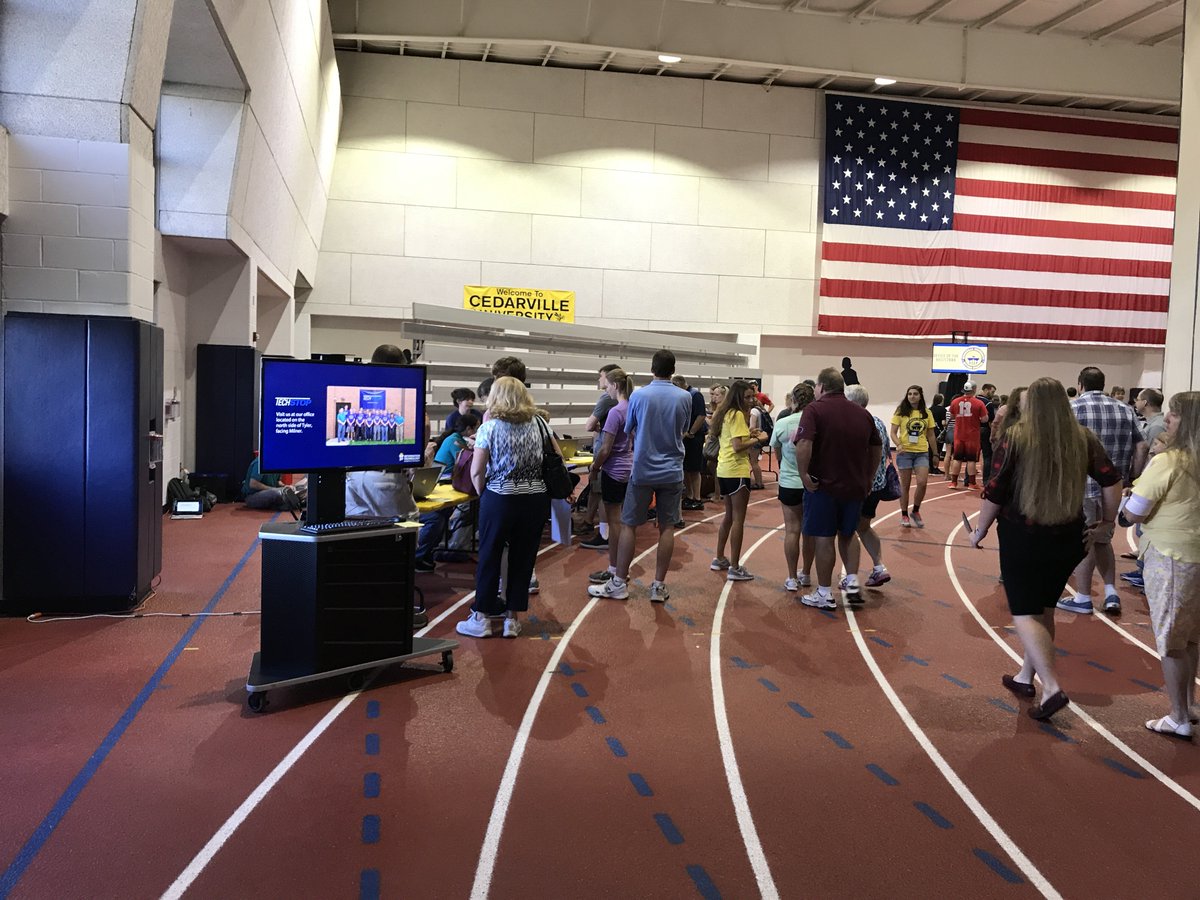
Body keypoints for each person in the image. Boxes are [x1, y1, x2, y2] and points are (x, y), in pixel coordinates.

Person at [969, 377, 1122, 722]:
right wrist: (1107, 524)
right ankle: (1026, 677)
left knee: (1023, 612)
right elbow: (1112, 480)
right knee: (1045, 609)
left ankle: (1051, 687)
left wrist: (979, 531)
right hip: (1069, 538)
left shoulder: (1017, 438)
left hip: (1024, 535)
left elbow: (995, 490)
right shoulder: (1083, 439)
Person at [1121, 391, 1200, 739]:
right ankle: (1190, 704)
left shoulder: (1170, 461)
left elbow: (1135, 510)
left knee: (1170, 640)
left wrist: (1124, 512)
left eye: (1174, 414)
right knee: (1192, 636)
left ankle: (1178, 716)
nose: (1167, 419)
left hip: (1171, 555)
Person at [588, 350, 692, 603]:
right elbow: (685, 429)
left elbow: (629, 428)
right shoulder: (685, 397)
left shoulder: (640, 395)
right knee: (667, 528)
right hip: (672, 469)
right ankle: (658, 585)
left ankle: (619, 582)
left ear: (652, 368)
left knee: (629, 525)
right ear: (673, 369)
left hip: (643, 468)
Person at [456, 377, 554, 640]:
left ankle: (482, 617)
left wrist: (485, 494)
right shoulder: (540, 424)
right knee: (523, 559)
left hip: (500, 497)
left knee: (490, 556)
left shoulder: (490, 428)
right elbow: (556, 456)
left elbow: (477, 472)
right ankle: (512, 618)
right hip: (534, 498)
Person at [1058, 366, 1146, 617]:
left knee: (1085, 540)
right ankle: (1110, 593)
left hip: (1081, 486)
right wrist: (1132, 477)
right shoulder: (1126, 409)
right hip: (1114, 487)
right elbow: (1142, 446)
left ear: (1080, 384)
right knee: (1104, 538)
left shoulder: (1072, 409)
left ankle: (1084, 597)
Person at [793, 368, 882, 609]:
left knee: (824, 538)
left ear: (820, 387)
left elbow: (804, 443)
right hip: (854, 486)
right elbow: (877, 446)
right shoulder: (862, 414)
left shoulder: (814, 409)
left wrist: (803, 475)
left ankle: (824, 593)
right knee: (848, 533)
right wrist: (869, 475)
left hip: (824, 486)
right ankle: (852, 584)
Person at [710, 380, 769, 582]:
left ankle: (719, 557)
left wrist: (748, 435)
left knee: (728, 516)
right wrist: (759, 438)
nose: (751, 400)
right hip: (736, 471)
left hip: (724, 470)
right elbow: (737, 446)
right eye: (747, 397)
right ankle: (734, 566)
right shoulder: (736, 414)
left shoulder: (725, 413)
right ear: (737, 397)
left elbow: (733, 439)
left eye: (752, 396)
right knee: (738, 519)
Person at [587, 368, 634, 587]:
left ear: (615, 386)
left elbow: (605, 449)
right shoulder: (633, 408)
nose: (606, 390)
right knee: (624, 521)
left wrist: (595, 467)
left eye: (607, 386)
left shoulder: (616, 412)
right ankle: (620, 569)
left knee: (616, 523)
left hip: (614, 470)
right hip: (629, 468)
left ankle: (615, 570)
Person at [770, 383, 815, 591]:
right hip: (812, 483)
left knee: (792, 530)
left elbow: (776, 450)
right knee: (810, 531)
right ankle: (805, 573)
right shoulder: (818, 422)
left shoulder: (783, 422)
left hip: (789, 482)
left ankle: (791, 577)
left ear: (794, 401)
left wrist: (785, 466)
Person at [848, 384, 892, 589]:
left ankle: (850, 577)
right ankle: (879, 567)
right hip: (876, 485)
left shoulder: (855, 424)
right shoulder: (878, 422)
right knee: (864, 527)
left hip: (859, 485)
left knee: (847, 531)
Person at [889, 384, 936, 528]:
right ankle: (904, 514)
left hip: (921, 451)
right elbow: (893, 432)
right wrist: (899, 445)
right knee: (905, 485)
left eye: (915, 394)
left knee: (922, 482)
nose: (912, 396)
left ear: (920, 396)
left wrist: (935, 453)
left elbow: (931, 435)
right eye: (909, 394)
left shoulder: (927, 413)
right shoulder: (901, 412)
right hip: (905, 453)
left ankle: (915, 510)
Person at [671, 375, 709, 510]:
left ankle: (697, 498)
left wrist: (691, 432)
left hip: (694, 437)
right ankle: (690, 495)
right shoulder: (685, 395)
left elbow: (701, 415)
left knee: (694, 469)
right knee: (686, 468)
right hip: (685, 437)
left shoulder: (695, 395)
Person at [946, 381, 989, 490]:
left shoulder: (955, 401)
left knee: (957, 458)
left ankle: (953, 482)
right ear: (974, 389)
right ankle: (972, 483)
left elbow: (952, 416)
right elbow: (985, 419)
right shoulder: (979, 403)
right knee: (971, 460)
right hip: (972, 435)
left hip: (959, 434)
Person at [432, 412, 480, 476]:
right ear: (468, 428)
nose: (478, 432)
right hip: (444, 476)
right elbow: (465, 463)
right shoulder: (454, 441)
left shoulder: (458, 438)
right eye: (476, 428)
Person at [979, 383, 999, 475]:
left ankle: (969, 480)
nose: (993, 394)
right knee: (987, 456)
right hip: (984, 430)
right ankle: (986, 479)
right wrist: (994, 434)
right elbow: (991, 421)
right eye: (992, 391)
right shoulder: (988, 403)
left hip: (973, 430)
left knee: (972, 457)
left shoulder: (973, 400)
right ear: (986, 390)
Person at [929, 392, 947, 473]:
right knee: (937, 451)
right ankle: (935, 467)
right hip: (939, 432)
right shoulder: (943, 410)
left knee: (930, 450)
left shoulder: (929, 409)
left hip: (930, 431)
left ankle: (930, 466)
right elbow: (943, 422)